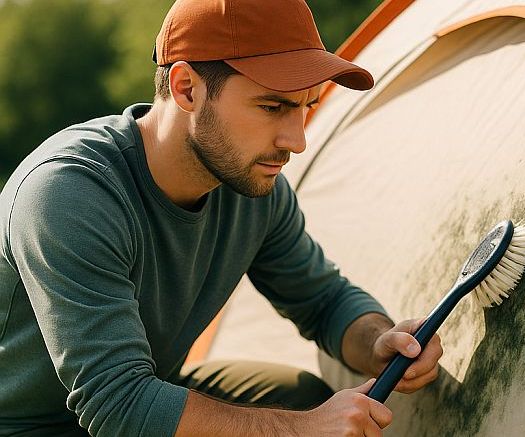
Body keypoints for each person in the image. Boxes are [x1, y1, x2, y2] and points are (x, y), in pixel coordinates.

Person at [0, 0, 443, 436]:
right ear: (187, 88)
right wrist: (302, 430)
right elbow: (118, 405)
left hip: (142, 392)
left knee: (296, 395)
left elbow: (323, 301)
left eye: (306, 105)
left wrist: (379, 342)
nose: (297, 140)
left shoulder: (250, 186)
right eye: (272, 107)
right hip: (37, 424)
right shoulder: (70, 192)